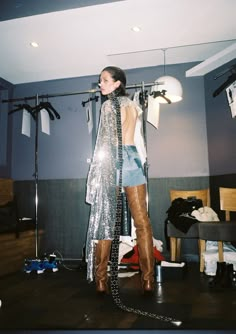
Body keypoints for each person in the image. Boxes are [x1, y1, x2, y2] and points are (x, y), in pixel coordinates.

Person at [85, 66, 154, 294]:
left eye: (105, 80)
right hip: (132, 158)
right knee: (142, 222)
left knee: (106, 221)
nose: (100, 85)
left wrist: (96, 171)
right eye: (100, 81)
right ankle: (147, 279)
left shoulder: (107, 106)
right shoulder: (133, 105)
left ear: (117, 83)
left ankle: (101, 280)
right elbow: (138, 140)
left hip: (113, 160)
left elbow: (104, 143)